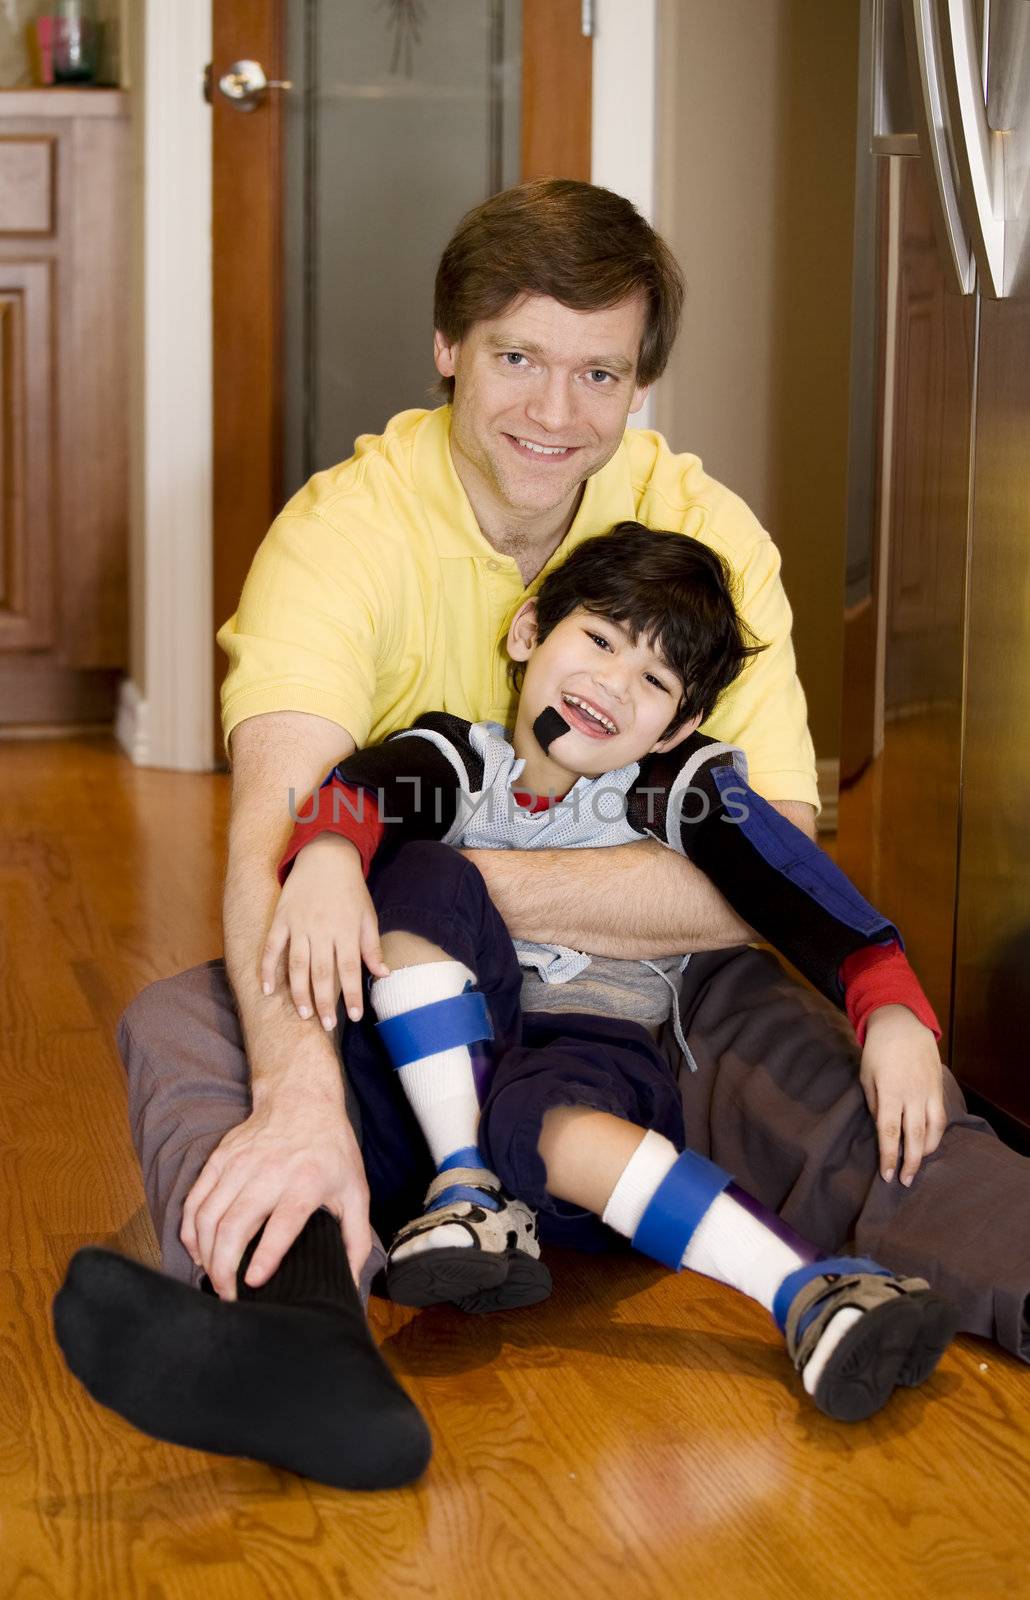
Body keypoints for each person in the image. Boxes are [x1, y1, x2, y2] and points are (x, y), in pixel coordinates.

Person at [51, 180, 1027, 1493]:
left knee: (856, 1094)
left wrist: (451, 879)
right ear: (448, 346)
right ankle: (297, 1330)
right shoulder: (344, 536)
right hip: (408, 1001)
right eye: (517, 358)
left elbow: (773, 860)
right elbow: (278, 835)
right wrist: (299, 1089)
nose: (555, 414)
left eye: (598, 373)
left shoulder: (700, 546)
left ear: (638, 387)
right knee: (196, 1028)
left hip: (652, 1007)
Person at [264, 521, 958, 1425]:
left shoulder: (673, 789)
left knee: (541, 1114)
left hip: (582, 1065)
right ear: (528, 632)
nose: (612, 685)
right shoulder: (454, 758)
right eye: (598, 639)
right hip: (418, 1121)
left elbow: (787, 874)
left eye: (654, 681)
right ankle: (442, 1202)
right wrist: (323, 854)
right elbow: (364, 788)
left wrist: (890, 1005)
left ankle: (808, 1290)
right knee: (420, 869)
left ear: (679, 724)